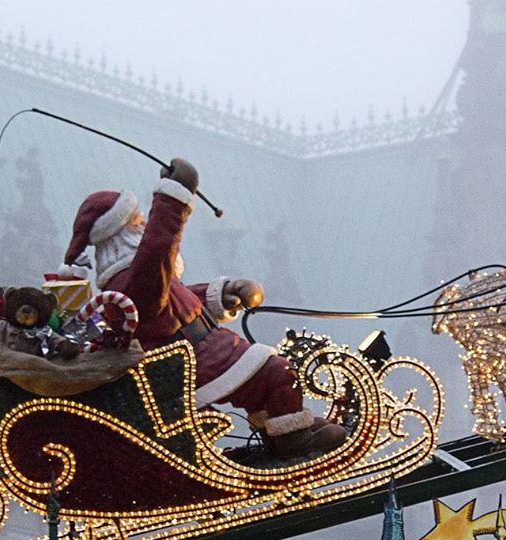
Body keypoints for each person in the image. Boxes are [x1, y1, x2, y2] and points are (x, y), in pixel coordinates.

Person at [60, 157, 347, 460]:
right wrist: (174, 195)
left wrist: (225, 293)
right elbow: (158, 247)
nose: (144, 225)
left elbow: (177, 298)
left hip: (205, 348)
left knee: (265, 379)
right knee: (277, 371)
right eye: (137, 221)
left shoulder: (135, 279)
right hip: (192, 362)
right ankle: (294, 442)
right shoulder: (135, 279)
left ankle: (282, 431)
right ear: (120, 234)